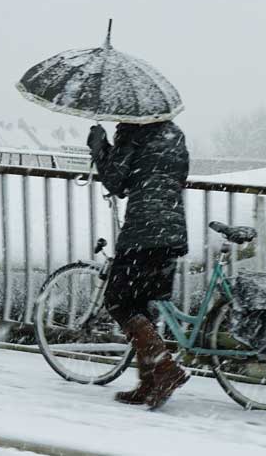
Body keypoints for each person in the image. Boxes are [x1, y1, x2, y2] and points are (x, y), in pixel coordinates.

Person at [87, 121, 190, 409]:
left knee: (119, 302)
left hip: (143, 233)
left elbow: (115, 181)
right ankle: (148, 384)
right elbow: (177, 176)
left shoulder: (133, 133)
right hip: (171, 232)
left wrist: (100, 146)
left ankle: (166, 368)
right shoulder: (174, 134)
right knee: (141, 307)